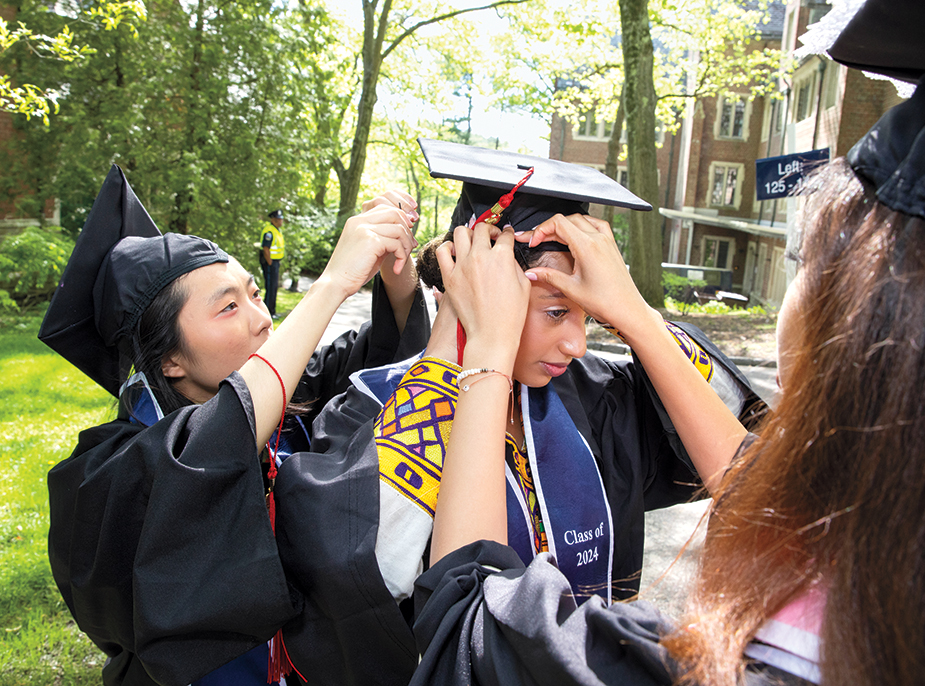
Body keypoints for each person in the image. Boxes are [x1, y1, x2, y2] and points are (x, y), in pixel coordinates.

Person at [406, 2, 925, 685]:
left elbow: (466, 624)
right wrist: (637, 318)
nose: (578, 343)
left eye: (804, 262)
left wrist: (486, 353)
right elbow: (764, 497)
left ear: (865, 323)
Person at [270, 140, 767, 685]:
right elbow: (364, 576)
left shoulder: (597, 397)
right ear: (484, 288)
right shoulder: (371, 409)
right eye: (556, 312)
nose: (578, 343)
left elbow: (741, 451)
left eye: (589, 316)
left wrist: (631, 311)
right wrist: (460, 347)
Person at [39, 165, 429, 686]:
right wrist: (331, 284)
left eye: (254, 293)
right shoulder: (104, 475)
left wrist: (393, 265)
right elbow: (205, 447)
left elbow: (377, 358)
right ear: (170, 360)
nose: (263, 318)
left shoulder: (294, 399)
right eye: (228, 307)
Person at [260, 209, 286, 317]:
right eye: (278, 220)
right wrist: (270, 263)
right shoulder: (269, 231)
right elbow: (266, 248)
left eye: (281, 219)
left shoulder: (276, 230)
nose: (281, 222)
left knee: (274, 287)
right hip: (270, 262)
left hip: (275, 262)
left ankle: (272, 311)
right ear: (273, 220)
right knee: (270, 287)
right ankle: (267, 312)